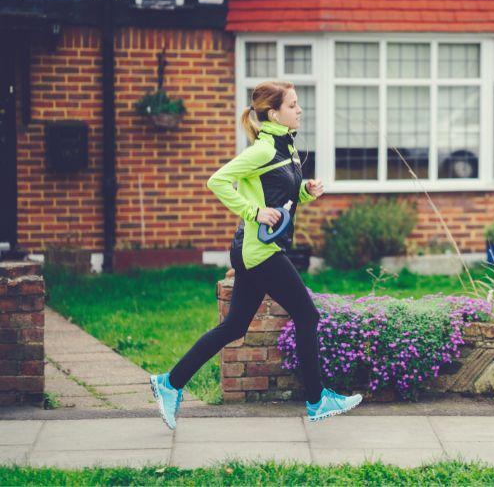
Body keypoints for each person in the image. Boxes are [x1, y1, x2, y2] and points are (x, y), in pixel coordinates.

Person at [149, 81, 362, 429]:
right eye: (293, 105)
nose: (300, 110)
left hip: (256, 250)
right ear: (275, 113)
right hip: (260, 251)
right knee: (307, 316)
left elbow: (282, 196)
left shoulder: (287, 149)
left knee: (234, 326)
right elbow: (217, 181)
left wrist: (306, 192)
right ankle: (317, 400)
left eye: (298, 105)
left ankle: (169, 384)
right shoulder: (263, 150)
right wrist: (254, 212)